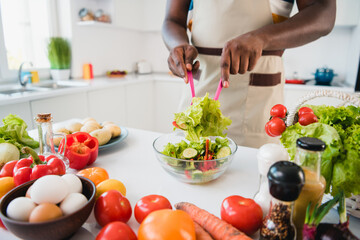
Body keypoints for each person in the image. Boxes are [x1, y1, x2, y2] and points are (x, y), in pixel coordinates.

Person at [162, 0, 336, 148]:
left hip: (257, 101)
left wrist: (261, 38)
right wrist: (178, 45)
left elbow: (323, 12)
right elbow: (172, 20)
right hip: (198, 87)